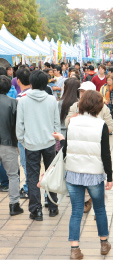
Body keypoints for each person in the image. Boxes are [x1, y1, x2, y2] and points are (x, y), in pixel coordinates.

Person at [52, 90, 113, 259]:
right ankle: (103, 244)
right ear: (99, 106)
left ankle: (74, 249)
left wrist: (61, 142)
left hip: (74, 172)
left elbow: (67, 149)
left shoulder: (72, 123)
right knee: (100, 209)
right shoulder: (101, 125)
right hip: (94, 173)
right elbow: (105, 154)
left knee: (76, 210)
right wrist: (110, 176)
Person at [16, 70, 60, 221]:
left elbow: (19, 126)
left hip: (31, 144)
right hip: (49, 143)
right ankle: (53, 206)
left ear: (32, 83)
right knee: (51, 174)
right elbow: (56, 123)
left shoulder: (23, 100)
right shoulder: (51, 100)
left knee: (33, 176)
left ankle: (36, 210)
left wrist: (23, 141)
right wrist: (55, 139)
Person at [0, 75, 24, 216]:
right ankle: (14, 205)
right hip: (8, 143)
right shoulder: (13, 102)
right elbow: (17, 125)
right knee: (13, 175)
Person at [16, 68, 32, 199]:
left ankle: (28, 188)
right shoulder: (39, 94)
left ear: (18, 80)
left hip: (25, 137)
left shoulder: (20, 98)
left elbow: (18, 121)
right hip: (38, 135)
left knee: (26, 163)